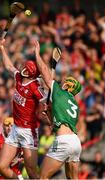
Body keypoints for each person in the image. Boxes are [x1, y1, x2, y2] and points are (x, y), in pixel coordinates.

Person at [0, 38, 46, 179]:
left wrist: (48, 113)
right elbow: (9, 66)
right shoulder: (18, 77)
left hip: (29, 132)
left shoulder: (35, 88)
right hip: (15, 129)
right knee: (1, 167)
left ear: (31, 74)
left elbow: (46, 102)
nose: (23, 70)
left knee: (31, 172)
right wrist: (2, 48)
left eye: (26, 69)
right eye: (24, 67)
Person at [34, 40, 82, 179]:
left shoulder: (60, 93)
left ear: (68, 86)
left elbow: (45, 73)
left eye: (65, 81)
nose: (62, 82)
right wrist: (49, 113)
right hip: (75, 142)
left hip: (64, 141)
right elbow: (54, 125)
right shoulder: (73, 104)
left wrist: (37, 54)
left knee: (42, 177)